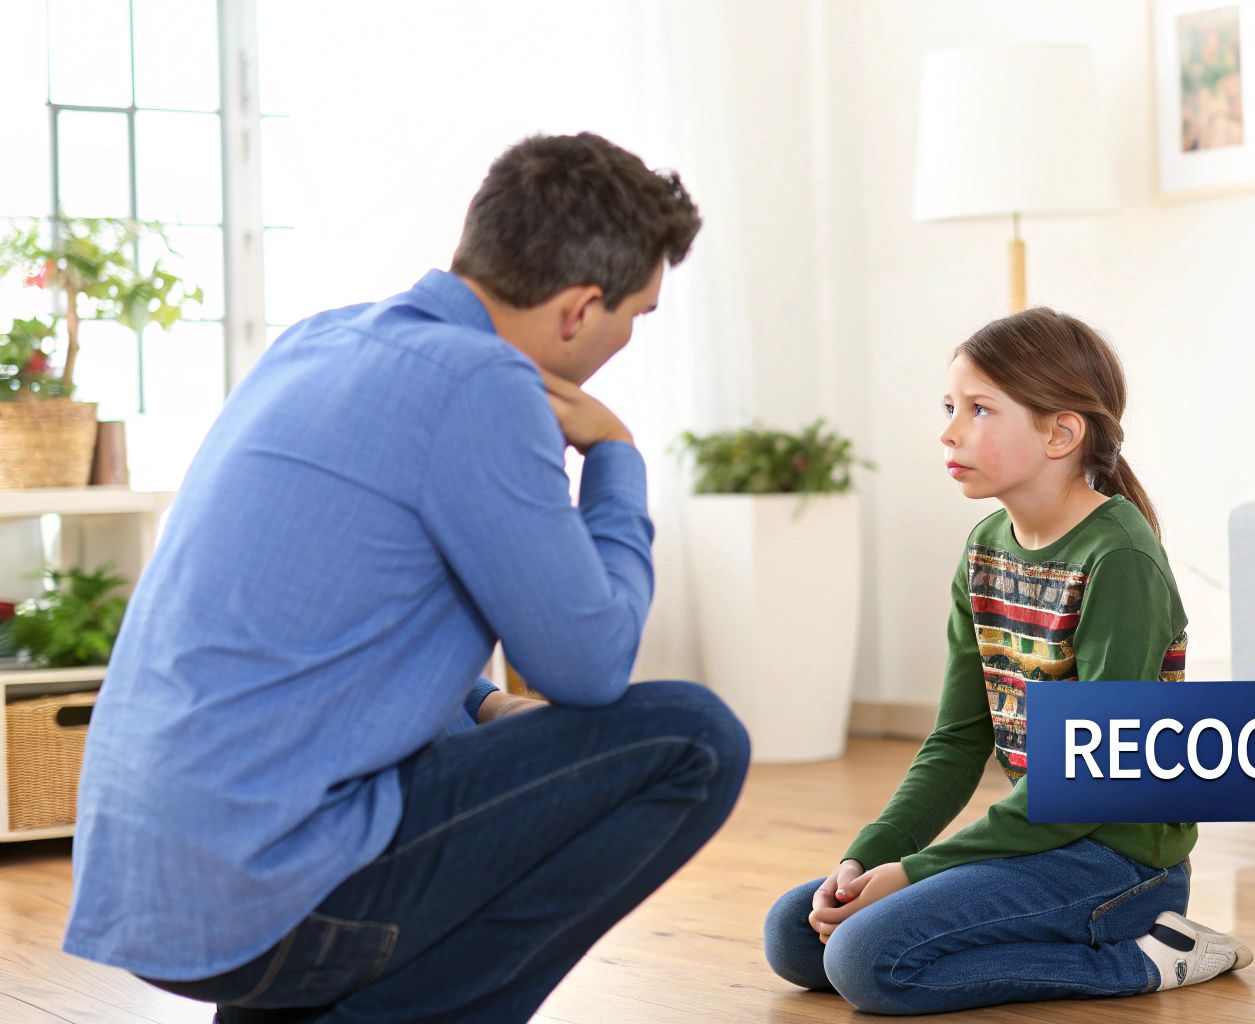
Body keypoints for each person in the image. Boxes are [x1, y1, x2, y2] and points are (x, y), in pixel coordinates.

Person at [62, 132, 750, 1023]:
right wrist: (616, 459)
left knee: (469, 743)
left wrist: (484, 705)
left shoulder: (318, 343)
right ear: (580, 309)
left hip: (150, 886)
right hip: (265, 907)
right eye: (636, 316)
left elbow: (327, 616)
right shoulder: (483, 386)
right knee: (694, 738)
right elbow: (591, 665)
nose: (626, 339)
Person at [763, 307, 1251, 1014]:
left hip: (1116, 861)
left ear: (1061, 433)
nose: (950, 430)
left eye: (980, 409)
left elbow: (1090, 780)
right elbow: (959, 741)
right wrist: (870, 856)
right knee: (796, 934)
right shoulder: (985, 547)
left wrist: (917, 873)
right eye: (950, 406)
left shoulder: (1119, 559)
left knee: (868, 963)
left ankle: (1150, 957)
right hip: (1039, 839)